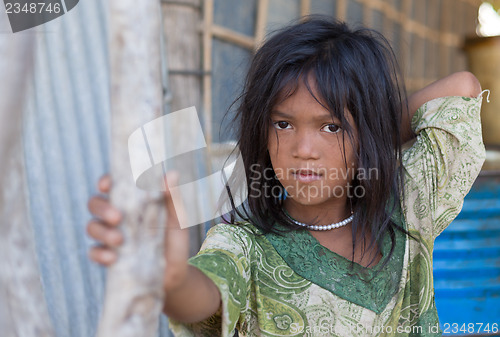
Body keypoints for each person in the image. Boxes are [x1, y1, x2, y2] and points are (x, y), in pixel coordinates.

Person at [87, 16, 486, 337]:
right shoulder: (246, 242)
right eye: (283, 124)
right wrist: (171, 280)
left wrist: (373, 137)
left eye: (330, 127)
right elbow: (205, 293)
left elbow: (461, 88)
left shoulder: (410, 205)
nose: (303, 149)